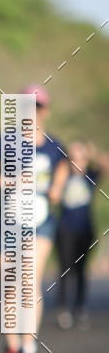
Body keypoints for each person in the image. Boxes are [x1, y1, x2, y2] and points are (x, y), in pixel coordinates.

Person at [0, 84, 69, 353]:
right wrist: (10, 182)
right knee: (9, 284)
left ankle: (28, 343)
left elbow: (64, 171)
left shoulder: (54, 146)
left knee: (29, 279)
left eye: (38, 108)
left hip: (39, 221)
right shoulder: (4, 142)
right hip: (7, 220)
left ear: (46, 111)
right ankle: (12, 346)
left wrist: (55, 188)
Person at [56, 140, 108, 329]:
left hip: (85, 228)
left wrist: (91, 153)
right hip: (64, 228)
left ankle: (79, 307)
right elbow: (54, 194)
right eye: (74, 157)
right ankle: (62, 309)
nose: (77, 161)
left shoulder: (90, 176)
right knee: (65, 269)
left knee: (81, 270)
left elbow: (106, 163)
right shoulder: (63, 175)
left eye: (81, 157)